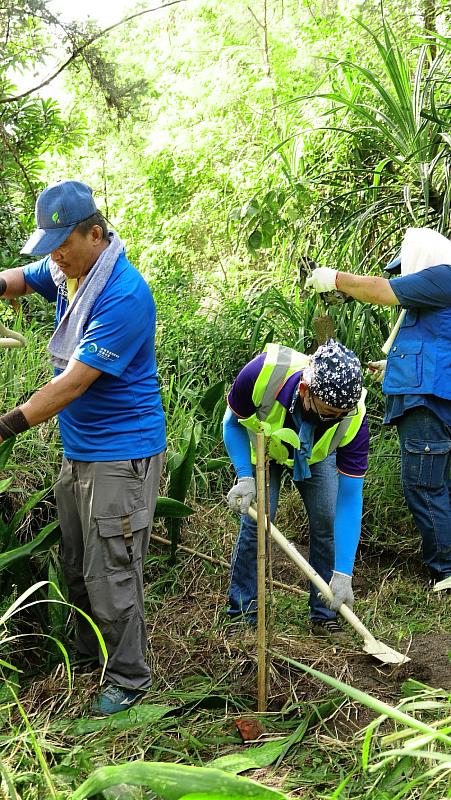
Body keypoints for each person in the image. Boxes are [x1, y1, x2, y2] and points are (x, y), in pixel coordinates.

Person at [0, 179, 166, 715]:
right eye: (50, 247)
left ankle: (130, 679)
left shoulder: (123, 294)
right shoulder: (71, 271)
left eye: (63, 246)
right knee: (77, 563)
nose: (56, 258)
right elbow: (20, 279)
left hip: (122, 453)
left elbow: (72, 384)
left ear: (95, 233)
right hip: (80, 450)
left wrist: (5, 426)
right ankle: (91, 656)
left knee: (112, 569)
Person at [305, 227, 451, 585]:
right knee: (435, 481)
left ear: (424, 257)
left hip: (426, 401)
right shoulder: (435, 293)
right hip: (427, 392)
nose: (403, 276)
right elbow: (438, 344)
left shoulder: (443, 274)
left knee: (423, 483)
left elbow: (379, 290)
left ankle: (445, 568)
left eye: (406, 268)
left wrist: (334, 278)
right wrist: (392, 367)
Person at [223, 339, 369, 636]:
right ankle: (242, 614)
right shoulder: (261, 374)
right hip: (265, 449)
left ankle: (324, 614)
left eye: (343, 413)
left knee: (326, 520)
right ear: (305, 391)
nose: (336, 419)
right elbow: (232, 423)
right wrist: (244, 477)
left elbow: (349, 498)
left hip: (315, 456)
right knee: (258, 522)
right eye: (329, 412)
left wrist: (344, 572)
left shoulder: (354, 419)